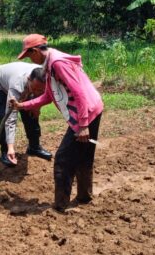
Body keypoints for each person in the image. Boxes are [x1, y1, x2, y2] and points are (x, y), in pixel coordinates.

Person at [9, 34, 103, 211]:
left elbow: (79, 92)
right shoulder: (50, 65)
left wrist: (83, 125)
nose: (31, 60)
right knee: (83, 155)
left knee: (62, 158)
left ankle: (60, 206)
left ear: (36, 51)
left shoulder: (57, 63)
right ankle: (84, 197)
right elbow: (48, 96)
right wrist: (22, 105)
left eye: (30, 56)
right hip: (91, 108)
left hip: (86, 112)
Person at [0, 62, 52, 167]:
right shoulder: (16, 86)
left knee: (31, 113)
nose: (37, 92)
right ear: (28, 79)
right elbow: (10, 119)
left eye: (41, 90)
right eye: (35, 89)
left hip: (22, 83)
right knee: (5, 116)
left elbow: (44, 96)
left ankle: (34, 147)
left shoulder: (46, 78)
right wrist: (11, 147)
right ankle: (5, 151)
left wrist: (37, 107)